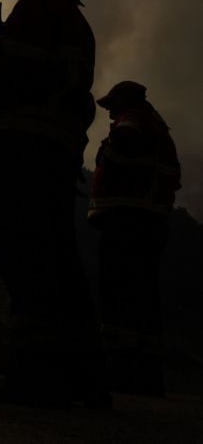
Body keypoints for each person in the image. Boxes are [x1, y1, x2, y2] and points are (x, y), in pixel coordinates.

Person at [0, 0, 107, 407]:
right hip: (49, 151)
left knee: (26, 256)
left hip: (25, 149)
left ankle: (37, 375)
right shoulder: (68, 17)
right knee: (53, 254)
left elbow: (19, 77)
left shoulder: (38, 12)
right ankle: (78, 378)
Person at [89, 81, 181, 396]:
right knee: (145, 297)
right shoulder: (156, 129)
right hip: (151, 219)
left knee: (118, 293)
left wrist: (105, 151)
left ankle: (122, 370)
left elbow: (119, 151)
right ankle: (149, 376)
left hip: (127, 219)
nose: (110, 112)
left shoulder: (132, 122)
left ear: (126, 101)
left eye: (113, 105)